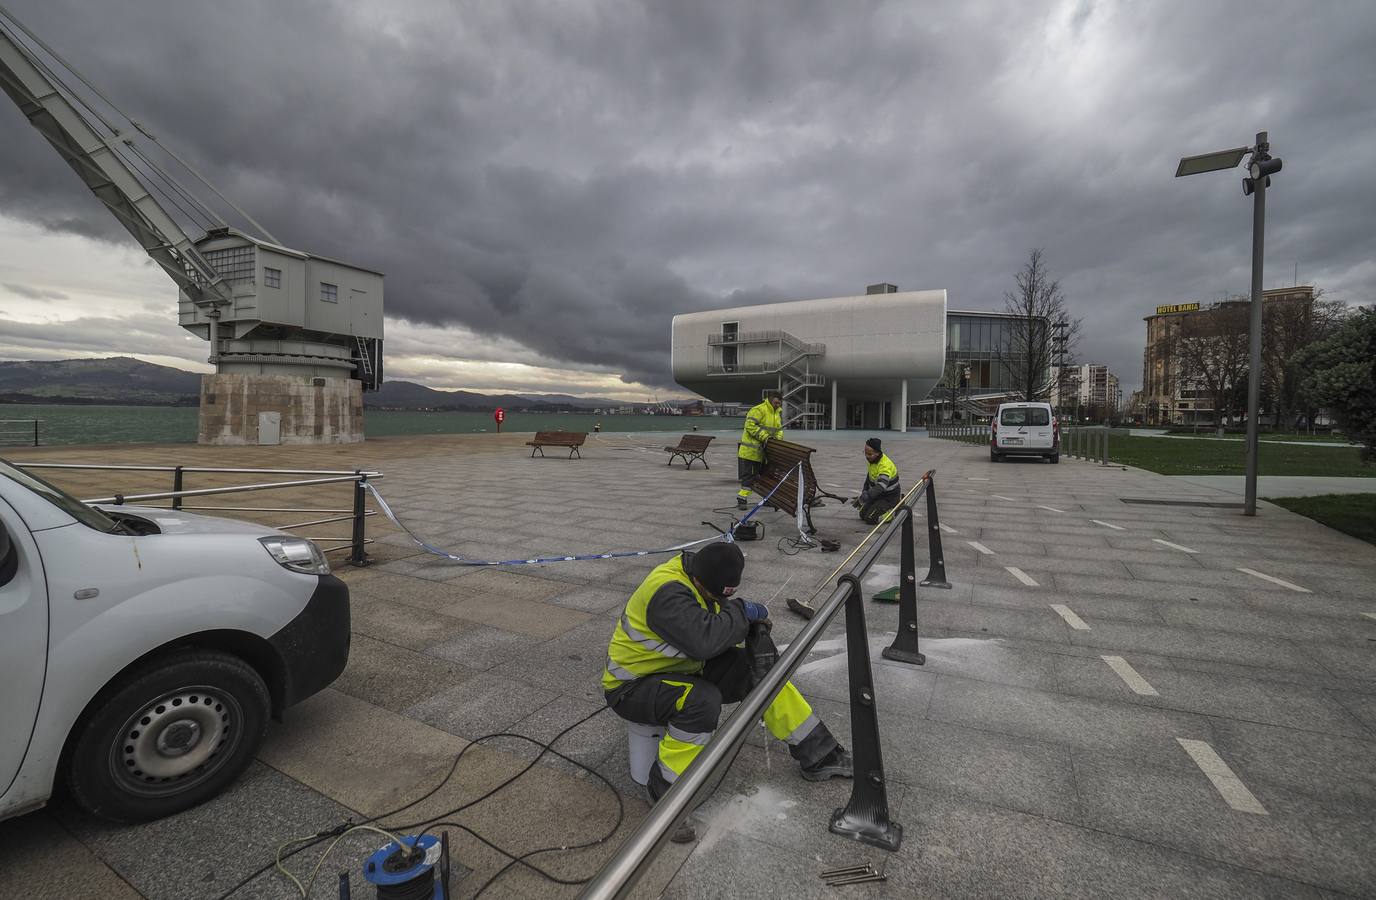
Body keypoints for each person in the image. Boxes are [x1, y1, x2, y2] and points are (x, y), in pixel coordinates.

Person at [602, 542, 852, 842]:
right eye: (714, 596)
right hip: (632, 687)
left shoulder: (702, 577)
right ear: (697, 579)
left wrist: (748, 627)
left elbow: (714, 624)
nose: (718, 601)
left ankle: (819, 752)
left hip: (681, 668)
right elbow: (705, 640)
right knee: (701, 701)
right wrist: (739, 612)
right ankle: (665, 793)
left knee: (759, 673)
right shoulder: (667, 592)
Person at [736, 390, 784, 509]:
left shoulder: (777, 413)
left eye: (779, 403)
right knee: (749, 477)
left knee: (765, 476)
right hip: (750, 452)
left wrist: (776, 439)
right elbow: (750, 426)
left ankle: (766, 498)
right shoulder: (758, 409)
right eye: (776, 403)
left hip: (764, 452)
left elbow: (779, 429)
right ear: (770, 400)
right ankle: (742, 499)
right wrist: (766, 437)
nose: (778, 405)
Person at [852, 437, 901, 524]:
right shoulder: (872, 461)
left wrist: (867, 496)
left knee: (871, 518)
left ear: (877, 453)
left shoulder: (885, 466)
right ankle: (879, 507)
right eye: (865, 453)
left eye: (870, 454)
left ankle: (893, 511)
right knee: (862, 514)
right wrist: (864, 492)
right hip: (877, 495)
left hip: (889, 497)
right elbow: (869, 478)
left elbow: (881, 486)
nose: (867, 456)